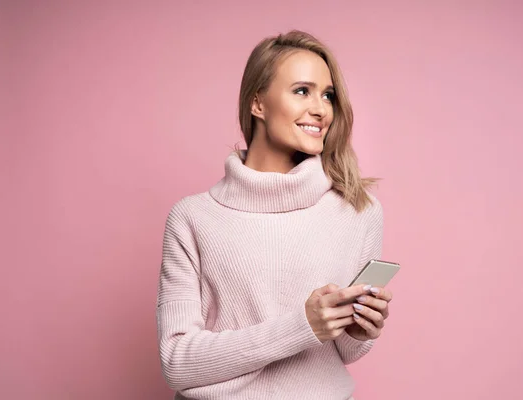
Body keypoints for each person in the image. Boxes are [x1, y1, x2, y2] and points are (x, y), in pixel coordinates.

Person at [156, 30, 392, 400]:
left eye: (328, 95)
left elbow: (344, 353)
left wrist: (358, 332)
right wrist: (302, 325)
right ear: (258, 104)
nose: (321, 109)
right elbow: (177, 362)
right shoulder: (193, 218)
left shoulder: (358, 209)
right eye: (302, 91)